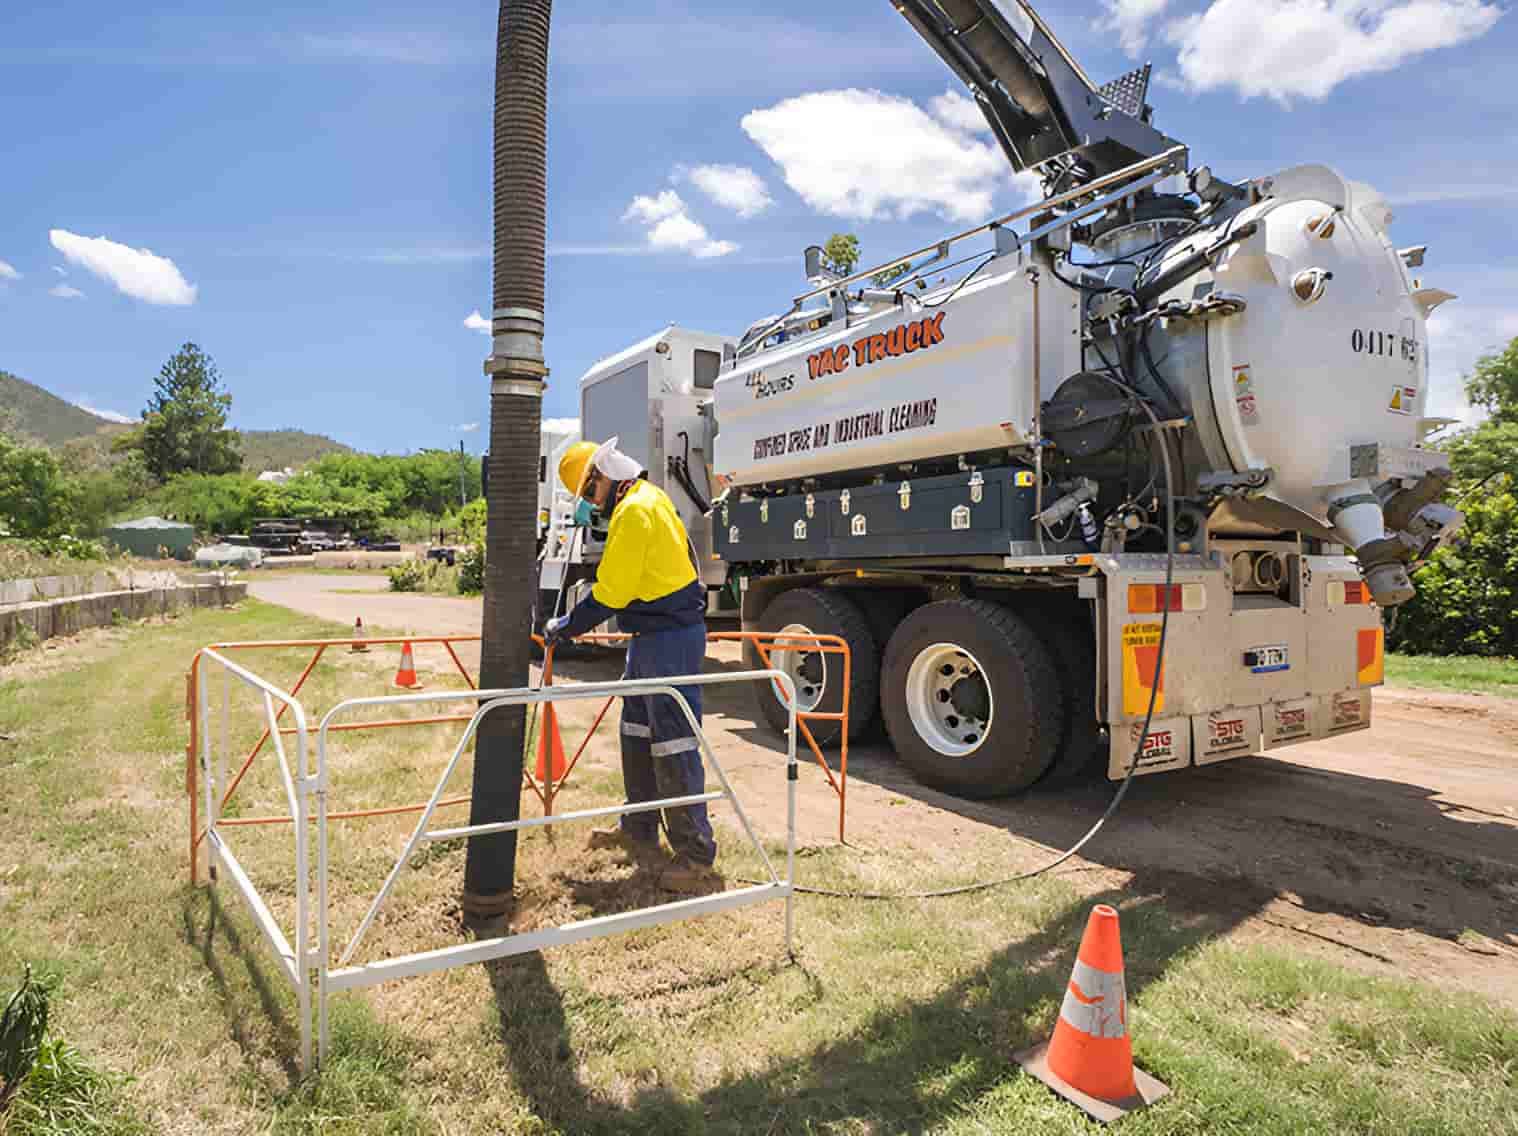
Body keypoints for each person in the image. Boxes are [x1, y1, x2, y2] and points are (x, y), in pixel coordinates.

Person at [544, 437, 718, 892]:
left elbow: (613, 591)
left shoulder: (636, 511)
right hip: (651, 635)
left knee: (674, 742)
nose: (587, 505)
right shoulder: (645, 499)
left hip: (669, 639)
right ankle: (639, 827)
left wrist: (568, 624)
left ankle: (696, 857)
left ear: (604, 476)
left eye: (587, 493)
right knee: (637, 732)